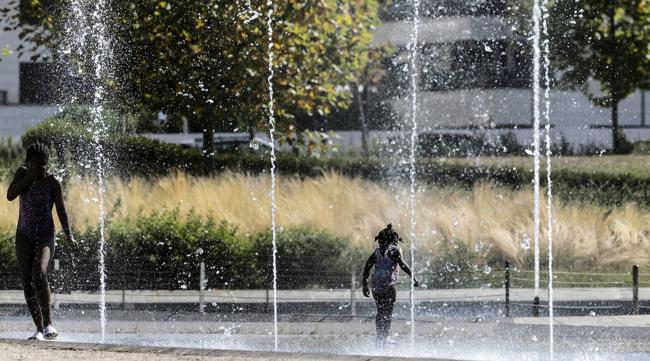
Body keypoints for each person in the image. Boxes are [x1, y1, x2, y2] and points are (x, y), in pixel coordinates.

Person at [6, 143, 76, 341]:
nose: (40, 169)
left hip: (46, 235)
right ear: (28, 164)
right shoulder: (22, 174)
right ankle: (38, 329)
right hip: (24, 235)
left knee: (39, 272)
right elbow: (10, 195)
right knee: (27, 282)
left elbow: (61, 209)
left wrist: (69, 234)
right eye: (35, 166)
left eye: (43, 165)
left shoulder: (53, 181)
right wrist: (29, 177)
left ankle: (48, 324)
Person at [362, 224, 419, 347]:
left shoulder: (376, 252)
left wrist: (364, 285)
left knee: (380, 312)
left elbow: (367, 267)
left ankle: (379, 338)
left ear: (381, 239)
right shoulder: (394, 250)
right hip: (388, 285)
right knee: (387, 313)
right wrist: (413, 277)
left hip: (376, 286)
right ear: (394, 239)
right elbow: (403, 265)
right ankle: (385, 338)